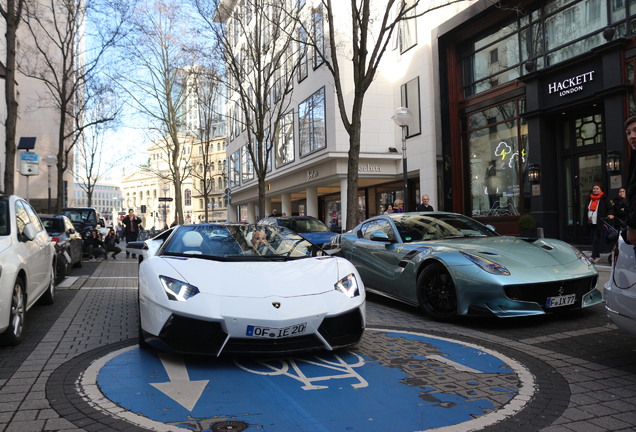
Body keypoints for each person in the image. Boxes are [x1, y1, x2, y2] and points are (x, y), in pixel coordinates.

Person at [586, 184, 613, 263]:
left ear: (601, 190)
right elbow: (586, 210)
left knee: (596, 239)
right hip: (591, 222)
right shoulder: (589, 199)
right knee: (594, 239)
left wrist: (610, 214)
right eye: (594, 188)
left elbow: (610, 208)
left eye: (597, 188)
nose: (595, 190)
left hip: (600, 222)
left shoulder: (604, 199)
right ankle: (595, 255)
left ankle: (595, 256)